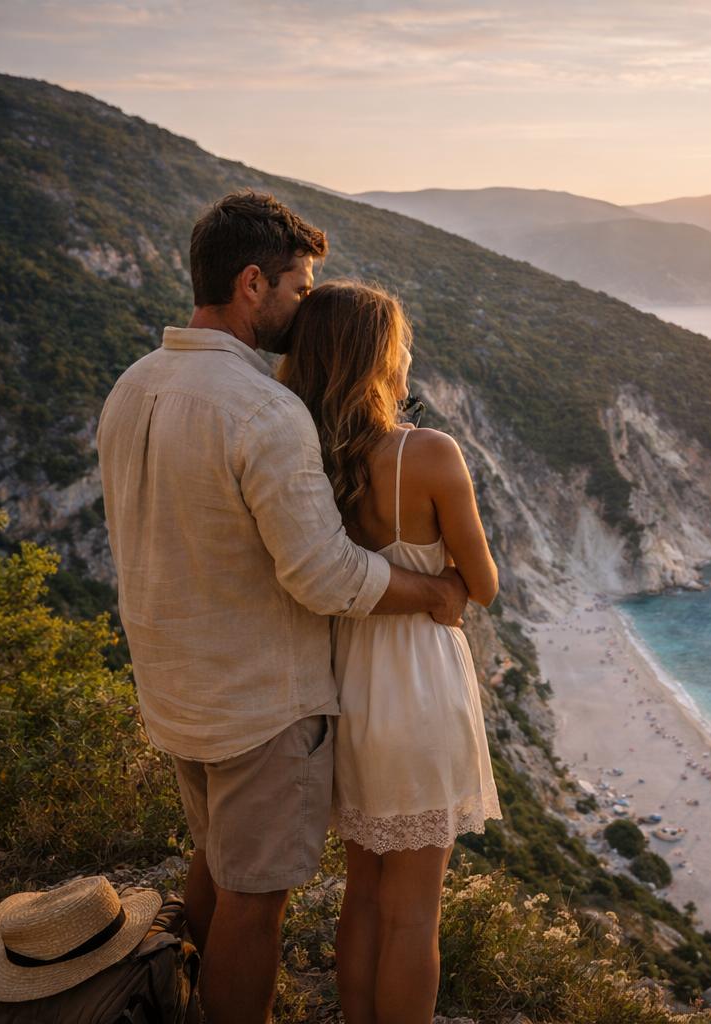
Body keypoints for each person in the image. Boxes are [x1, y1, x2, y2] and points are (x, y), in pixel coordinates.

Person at [97, 191, 469, 1024]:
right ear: (253, 284)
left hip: (172, 690)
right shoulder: (263, 409)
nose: (305, 309)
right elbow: (325, 576)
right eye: (300, 288)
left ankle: (175, 998)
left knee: (214, 864)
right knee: (254, 904)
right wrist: (435, 592)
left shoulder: (133, 386)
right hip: (258, 703)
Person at [279, 280, 501, 1024]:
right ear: (380, 360)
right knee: (415, 912)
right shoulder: (429, 454)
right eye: (400, 348)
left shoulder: (303, 457)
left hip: (346, 685)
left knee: (365, 893)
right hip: (419, 688)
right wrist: (445, 580)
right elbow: (485, 584)